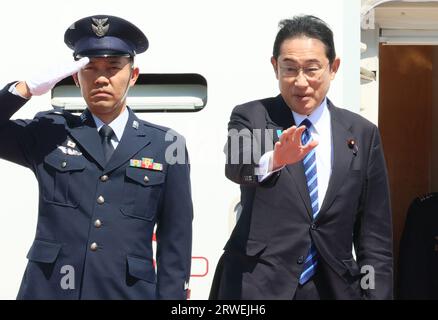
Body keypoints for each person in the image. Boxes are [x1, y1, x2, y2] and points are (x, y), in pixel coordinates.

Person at [0, 15, 193, 299]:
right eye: (90, 68)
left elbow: (175, 239)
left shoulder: (166, 145)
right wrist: (23, 89)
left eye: (113, 67)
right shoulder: (50, 132)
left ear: (133, 75)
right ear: (77, 77)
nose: (101, 78)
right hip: (49, 290)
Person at [210, 15, 393, 300]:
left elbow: (375, 236)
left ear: (333, 68)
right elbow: (237, 167)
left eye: (311, 69)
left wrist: (375, 295)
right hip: (257, 285)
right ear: (275, 67)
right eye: (290, 69)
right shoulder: (251, 116)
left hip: (333, 287)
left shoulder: (363, 133)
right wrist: (274, 159)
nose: (300, 81)